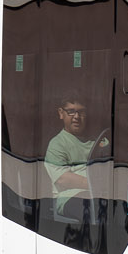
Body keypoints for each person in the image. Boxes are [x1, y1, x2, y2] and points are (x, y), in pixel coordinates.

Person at [45, 93, 107, 222]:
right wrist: (100, 185)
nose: (76, 117)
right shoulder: (57, 144)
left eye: (81, 112)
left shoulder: (100, 139)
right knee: (95, 208)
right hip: (70, 196)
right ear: (61, 113)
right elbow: (62, 179)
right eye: (71, 112)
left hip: (104, 193)